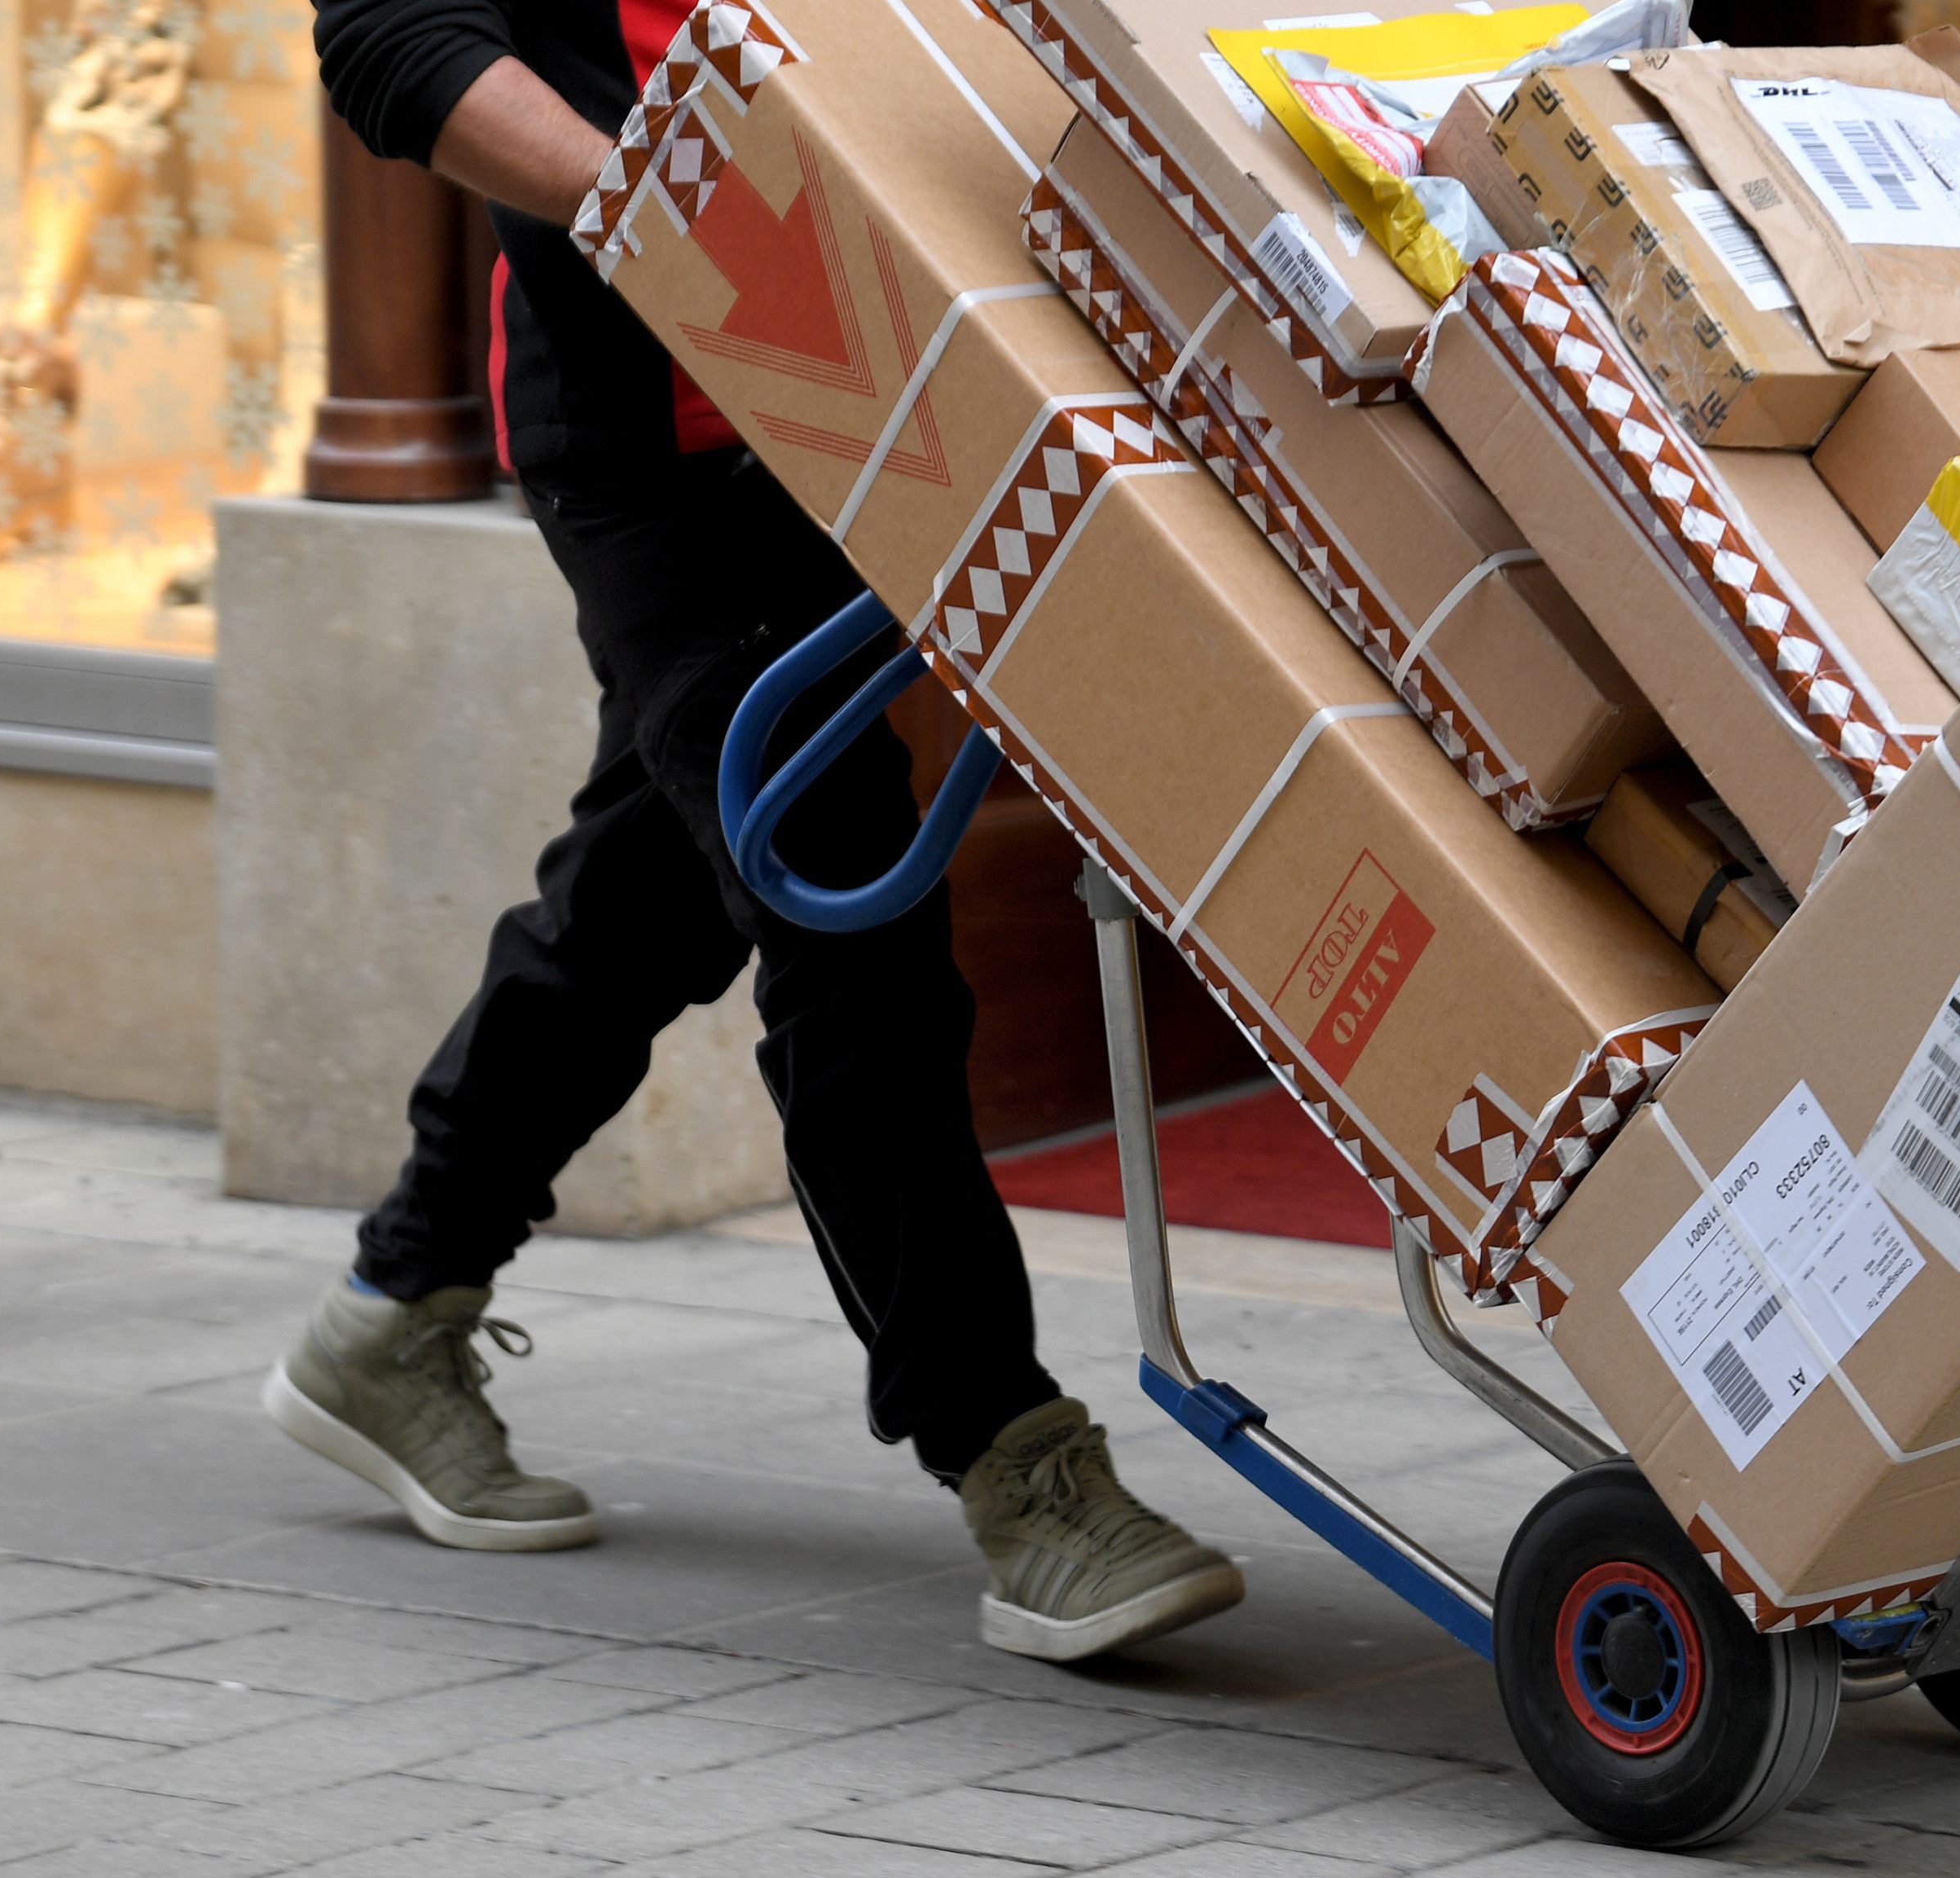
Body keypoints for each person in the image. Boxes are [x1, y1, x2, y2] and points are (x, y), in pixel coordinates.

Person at [266, 0, 1245, 1665]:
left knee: (652, 893)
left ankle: (392, 1307)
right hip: (668, 443)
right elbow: (388, 38)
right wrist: (663, 215)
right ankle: (1012, 1459)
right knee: (848, 924)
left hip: (886, 404)